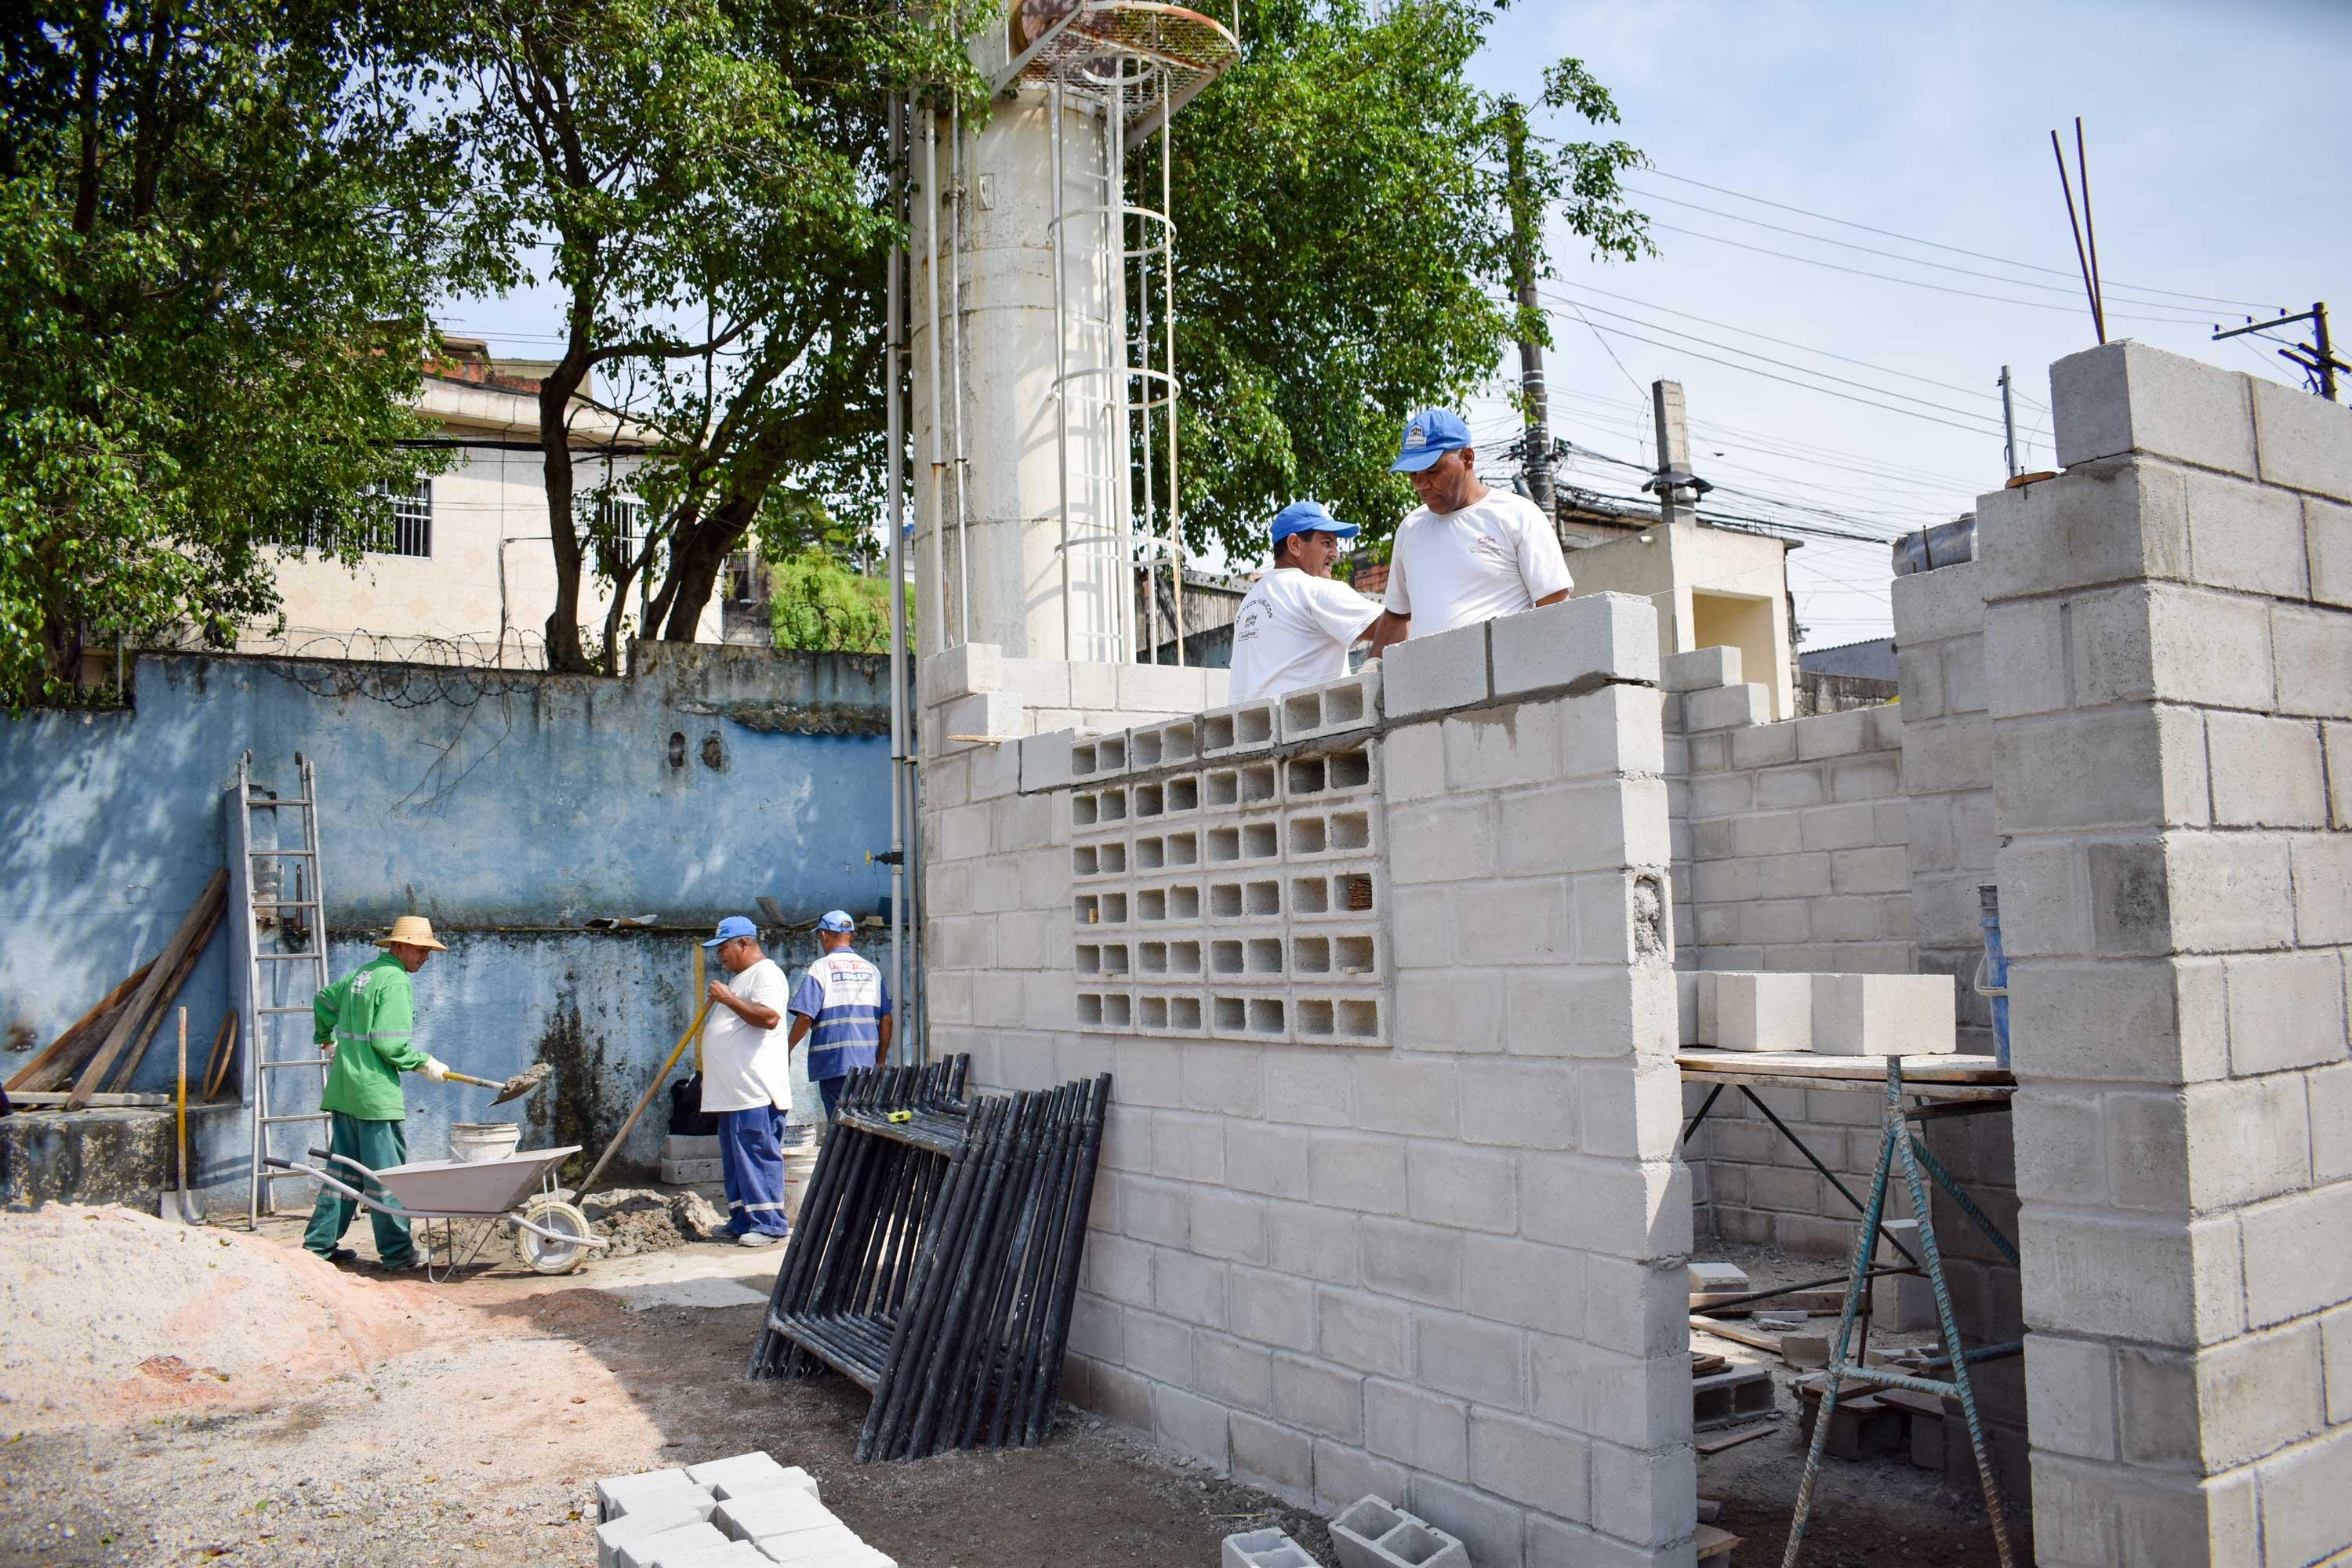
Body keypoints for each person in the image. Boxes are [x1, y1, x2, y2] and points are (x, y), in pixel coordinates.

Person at [303, 914, 452, 1270]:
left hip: (345, 1090)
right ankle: (398, 1254)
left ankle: (318, 1247)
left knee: (343, 1174)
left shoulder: (363, 974)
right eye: (420, 950)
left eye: (428, 951)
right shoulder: (396, 982)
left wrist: (326, 1038)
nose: (425, 958)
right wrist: (423, 1062)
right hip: (374, 1096)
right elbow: (389, 1045)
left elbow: (323, 1000)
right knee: (387, 1178)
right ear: (398, 947)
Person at [1366, 408, 1573, 655]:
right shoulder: (1411, 528)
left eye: (1432, 471)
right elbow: (1397, 616)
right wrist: (1373, 668)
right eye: (1413, 474)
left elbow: (1555, 607)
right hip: (1426, 677)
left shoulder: (1518, 516)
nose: (1420, 484)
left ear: (1467, 458)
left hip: (1504, 677)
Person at [699, 914, 796, 1247]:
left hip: (755, 1091)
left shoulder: (767, 973)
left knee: (757, 1155)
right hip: (733, 1093)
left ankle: (769, 1225)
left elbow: (768, 1017)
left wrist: (728, 999)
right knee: (736, 1161)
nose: (719, 956)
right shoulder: (742, 979)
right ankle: (742, 1220)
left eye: (723, 948)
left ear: (743, 943)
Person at [1226, 500, 1387, 702]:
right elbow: (1396, 624)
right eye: (1327, 543)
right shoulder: (1314, 590)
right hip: (1306, 721)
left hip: (1248, 721)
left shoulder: (1248, 603)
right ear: (1294, 544)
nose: (1336, 554)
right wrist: (1372, 668)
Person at [788, 910, 892, 1122]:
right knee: (863, 1124)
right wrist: (880, 1060)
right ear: (850, 935)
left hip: (834, 1064)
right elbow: (886, 1019)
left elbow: (806, 1017)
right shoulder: (872, 970)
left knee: (841, 1126)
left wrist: (787, 1048)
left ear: (824, 935)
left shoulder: (821, 968)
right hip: (867, 1065)